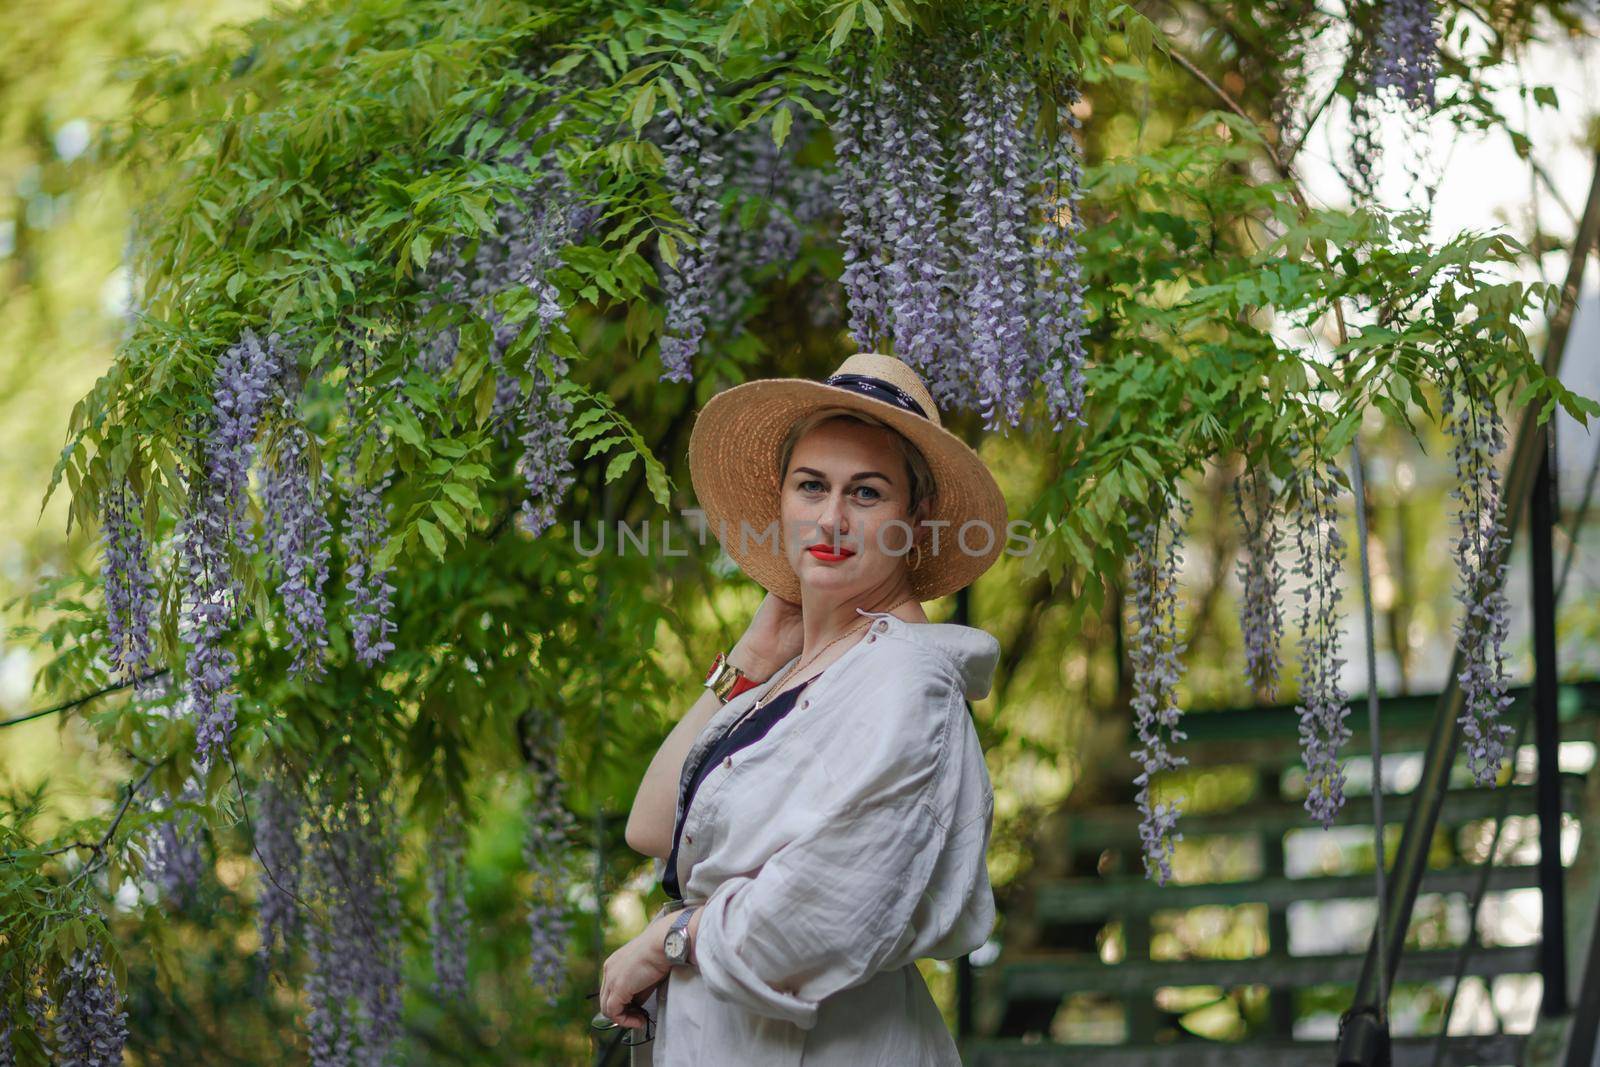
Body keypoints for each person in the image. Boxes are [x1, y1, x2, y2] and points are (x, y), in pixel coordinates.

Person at [601, 351, 1008, 1065]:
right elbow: (653, 826)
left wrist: (671, 940)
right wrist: (752, 657)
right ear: (781, 501)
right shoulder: (798, 670)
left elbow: (820, 913)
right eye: (811, 485)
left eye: (867, 493)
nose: (832, 517)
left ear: (913, 521)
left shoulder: (908, 680)